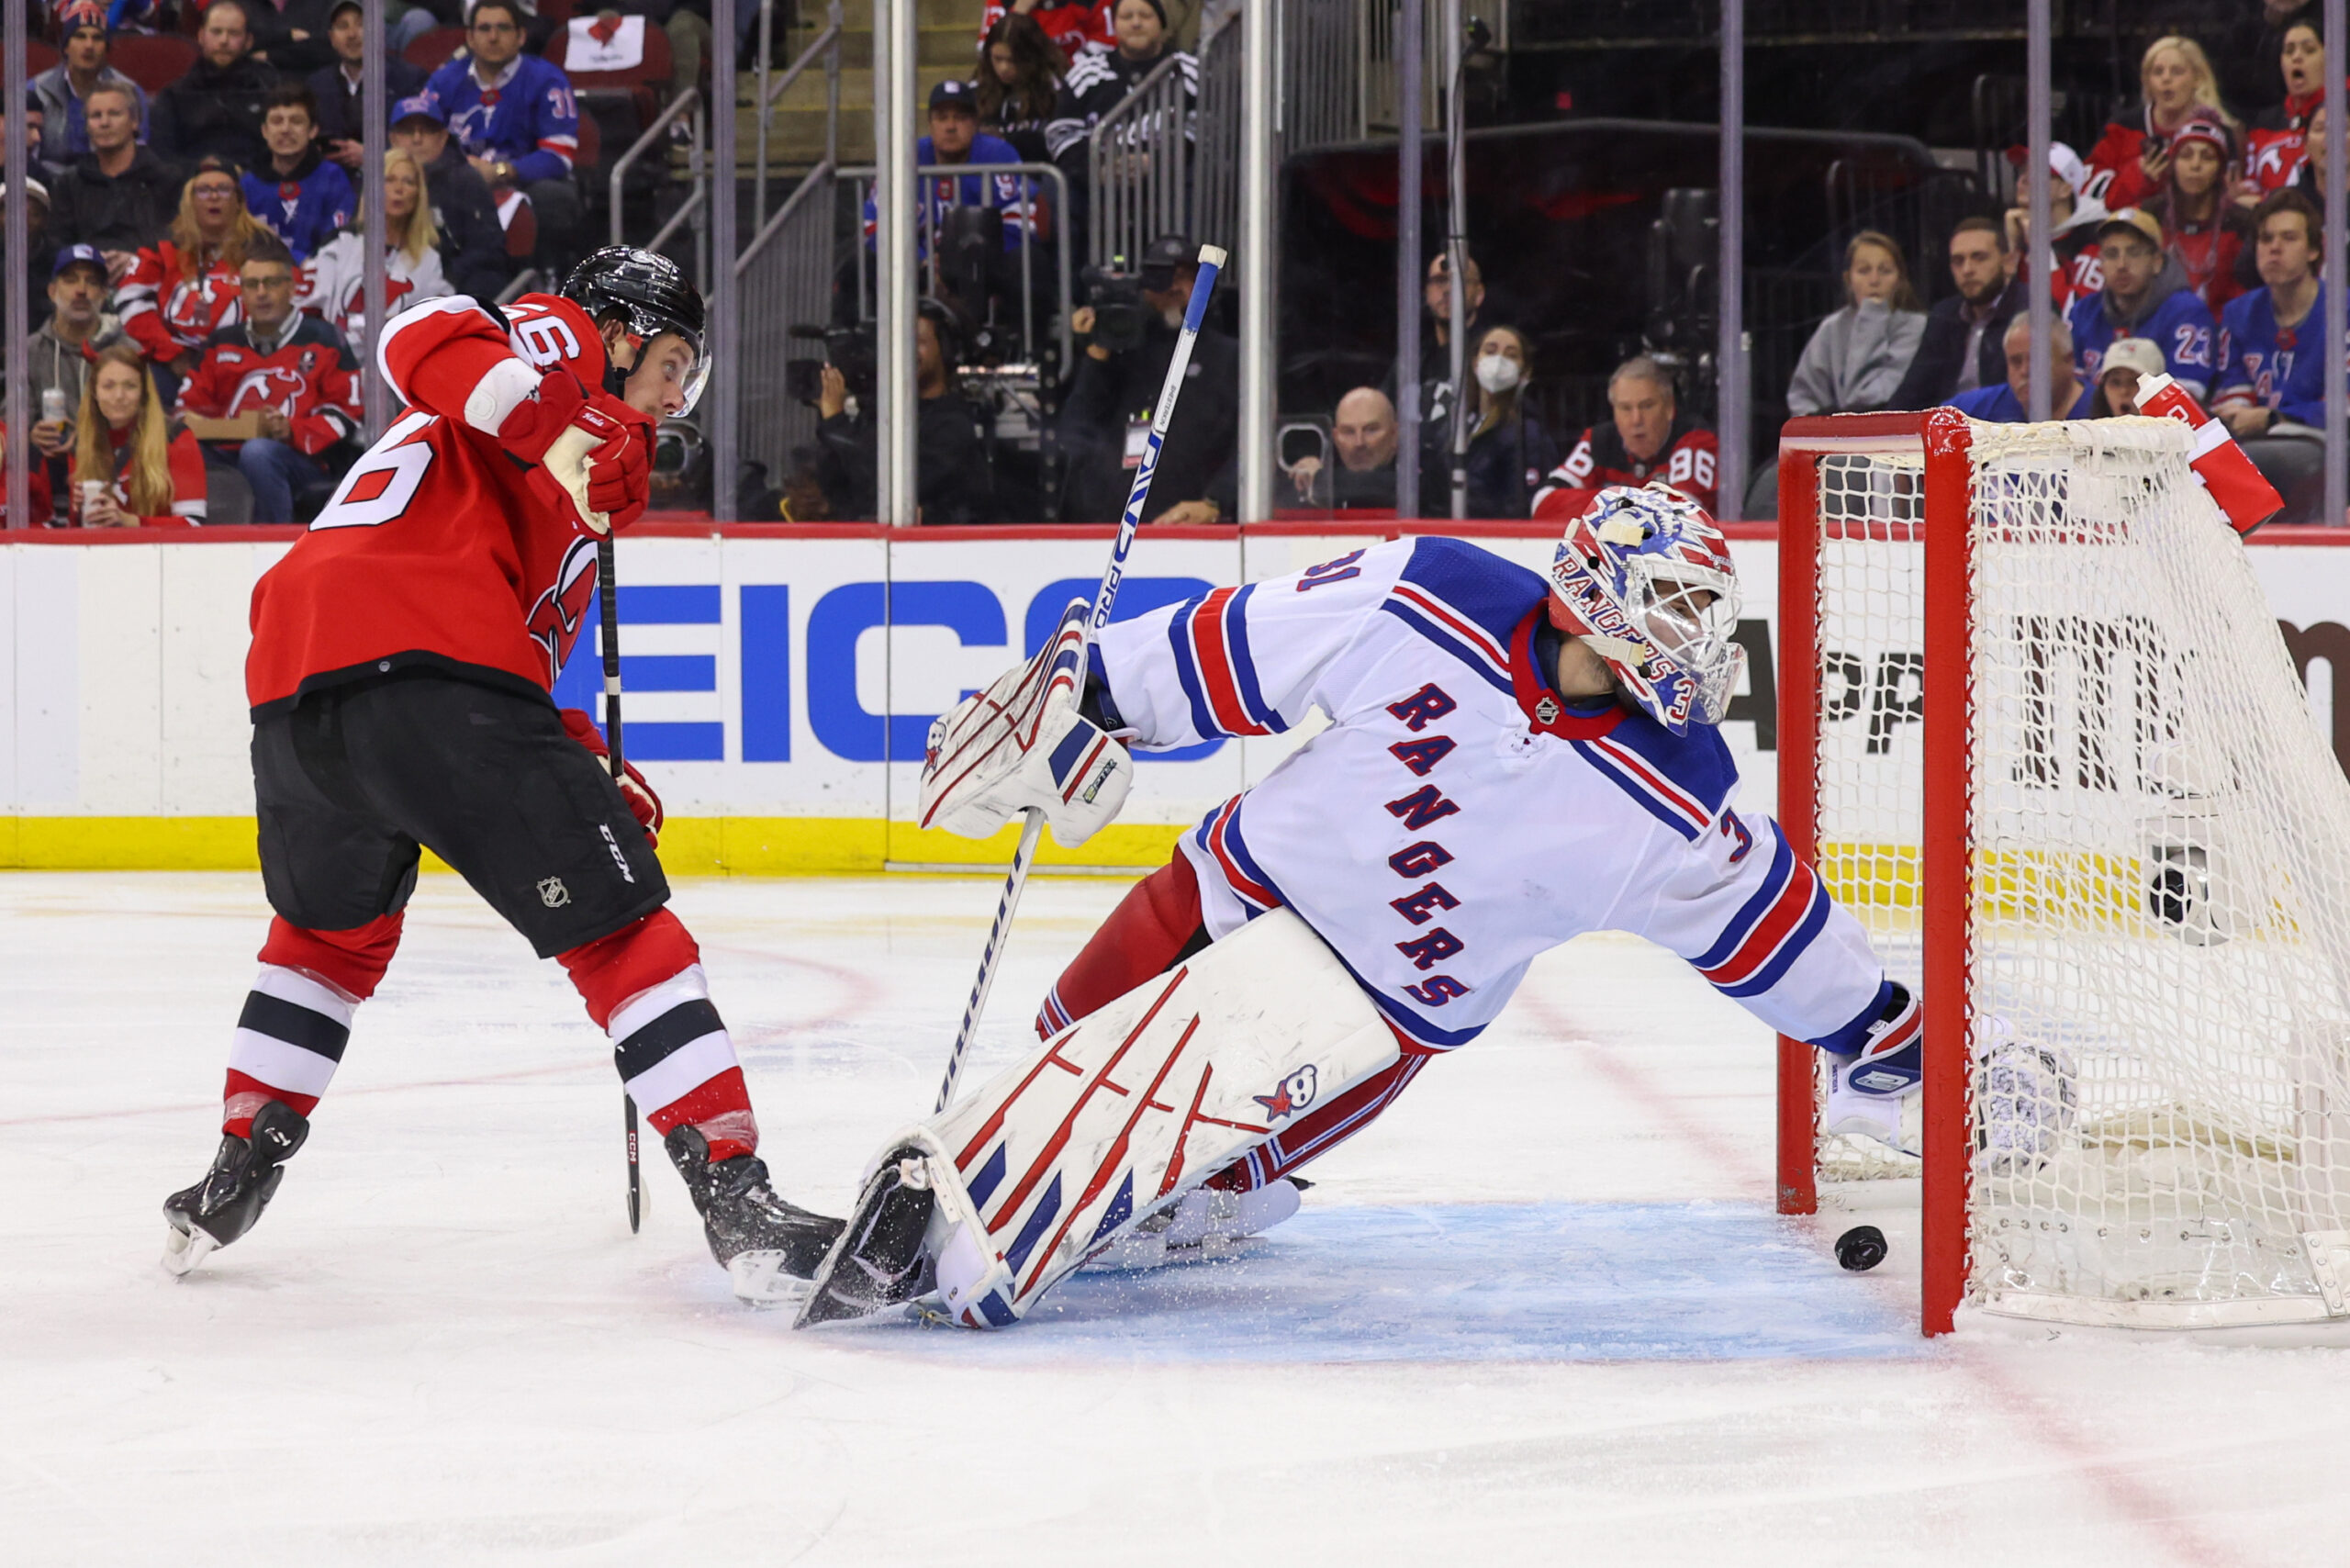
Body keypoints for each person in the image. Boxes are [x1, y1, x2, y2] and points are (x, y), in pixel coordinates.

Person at [811, 487, 1924, 1319]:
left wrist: (1877, 1024)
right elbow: (1239, 647)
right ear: (1594, 589)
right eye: (1673, 602)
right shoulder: (1432, 594)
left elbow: (1770, 929)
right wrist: (1094, 689)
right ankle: (1023, 1194)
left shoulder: (1678, 795)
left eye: (1702, 608)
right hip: (1228, 894)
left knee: (1198, 1175)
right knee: (1059, 1051)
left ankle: (1191, 1200)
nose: (1694, 634)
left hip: (1369, 1020)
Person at [160, 248, 845, 1304]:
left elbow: (505, 651)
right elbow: (415, 336)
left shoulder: (564, 474)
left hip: (301, 680)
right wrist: (575, 418)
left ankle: (239, 1161)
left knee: (325, 939)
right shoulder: (562, 346)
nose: (673, 395)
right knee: (622, 928)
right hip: (418, 660)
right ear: (616, 333)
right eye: (668, 363)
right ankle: (737, 1196)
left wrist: (570, 750)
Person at [174, 233, 361, 522]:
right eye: (252, 284)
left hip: (301, 460)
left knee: (259, 453)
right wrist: (197, 424)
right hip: (229, 455)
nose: (261, 293)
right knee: (177, 449)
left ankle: (270, 546)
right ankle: (189, 541)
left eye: (271, 283)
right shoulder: (221, 342)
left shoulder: (324, 338)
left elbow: (347, 413)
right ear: (243, 292)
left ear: (291, 288)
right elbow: (188, 406)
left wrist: (292, 430)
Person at [1062, 232, 1236, 524]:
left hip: (1192, 527)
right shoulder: (1119, 353)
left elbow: (1247, 444)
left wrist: (1216, 501)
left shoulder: (1228, 357)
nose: (1175, 289)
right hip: (1110, 526)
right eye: (1165, 278)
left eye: (1186, 278)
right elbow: (1075, 429)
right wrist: (1096, 352)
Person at [422, 0, 584, 275]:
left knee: (555, 198)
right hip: (460, 181)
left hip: (523, 183)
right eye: (484, 28)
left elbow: (559, 154)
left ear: (520, 36)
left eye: (502, 28)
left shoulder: (546, 79)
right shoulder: (443, 81)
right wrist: (464, 172)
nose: (493, 37)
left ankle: (546, 279)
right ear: (470, 37)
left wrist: (503, 172)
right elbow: (422, 142)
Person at [1044, 0, 1196, 264]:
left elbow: (1205, 125)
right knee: (1056, 188)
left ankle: (1190, 289)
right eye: (1127, 16)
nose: (1136, 22)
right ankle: (1074, 297)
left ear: (1161, 24)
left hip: (1171, 180)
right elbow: (1060, 131)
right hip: (1099, 182)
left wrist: (1157, 163)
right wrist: (1099, 168)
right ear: (1114, 25)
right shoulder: (1088, 71)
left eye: (1145, 15)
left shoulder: (1188, 69)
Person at [814, 302, 993, 523]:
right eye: (899, 342)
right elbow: (835, 487)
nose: (906, 351)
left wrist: (836, 423)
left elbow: (886, 485)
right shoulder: (880, 415)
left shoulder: (953, 425)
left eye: (918, 341)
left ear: (946, 350)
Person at [2212, 188, 2330, 517]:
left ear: (2313, 249)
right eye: (2265, 239)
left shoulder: (2342, 310)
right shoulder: (2239, 313)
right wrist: (2239, 413)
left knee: (2269, 461)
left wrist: (2276, 417)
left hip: (2325, 444)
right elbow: (2234, 390)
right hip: (2258, 441)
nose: (2274, 248)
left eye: (2289, 237)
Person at [118, 159, 268, 403]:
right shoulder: (161, 247)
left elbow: (287, 310)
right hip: (172, 366)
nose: (213, 197)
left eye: (223, 189)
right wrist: (172, 354)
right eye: (203, 190)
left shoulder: (264, 249)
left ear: (239, 201)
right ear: (189, 201)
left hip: (247, 367)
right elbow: (131, 303)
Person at [1533, 356, 1718, 519]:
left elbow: (1683, 515)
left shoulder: (1694, 439)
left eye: (1647, 406)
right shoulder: (1598, 441)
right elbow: (1542, 503)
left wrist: (1606, 505)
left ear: (1669, 408)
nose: (1636, 420)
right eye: (1625, 408)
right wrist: (1622, 501)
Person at [298, 147, 452, 342]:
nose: (399, 189)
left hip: (397, 363)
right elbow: (310, 309)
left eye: (409, 182)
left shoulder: (432, 258)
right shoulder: (340, 243)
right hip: (338, 362)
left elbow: (437, 324)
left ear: (418, 195)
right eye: (390, 180)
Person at [2066, 206, 2218, 399]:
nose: (2122, 265)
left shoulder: (2186, 312)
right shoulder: (2083, 312)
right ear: (2100, 263)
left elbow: (2188, 395)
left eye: (2134, 252)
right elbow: (2069, 393)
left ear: (2157, 262)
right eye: (2112, 254)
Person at [2083, 35, 2241, 213]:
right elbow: (2090, 194)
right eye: (2158, 72)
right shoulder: (2121, 128)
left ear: (2197, 79)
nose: (2166, 79)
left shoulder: (2218, 132)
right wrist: (2137, 176)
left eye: (2177, 71)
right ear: (2148, 82)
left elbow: (2226, 197)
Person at [65, 339, 209, 527]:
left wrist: (131, 522)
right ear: (94, 392)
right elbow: (76, 534)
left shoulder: (176, 437)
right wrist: (80, 513)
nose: (119, 396)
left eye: (130, 386)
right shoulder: (82, 443)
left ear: (144, 393)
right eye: (108, 386)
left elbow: (193, 525)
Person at [1419, 324, 1559, 518]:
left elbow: (1523, 505)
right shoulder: (1454, 426)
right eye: (1490, 351)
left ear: (1525, 371)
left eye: (1511, 355)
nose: (1499, 361)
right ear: (1476, 362)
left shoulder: (1527, 434)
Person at [1785, 229, 1927, 416]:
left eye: (1885, 271)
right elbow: (1802, 397)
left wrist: (1872, 317)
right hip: (1830, 439)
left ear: (1899, 279)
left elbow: (1865, 399)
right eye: (1864, 271)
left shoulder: (1917, 327)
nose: (1874, 280)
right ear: (1848, 279)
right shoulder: (1832, 328)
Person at [1888, 216, 2022, 409]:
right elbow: (1912, 392)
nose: (1967, 270)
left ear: (2009, 262)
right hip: (1946, 430)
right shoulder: (1944, 315)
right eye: (1958, 261)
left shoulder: (2029, 309)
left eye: (1979, 258)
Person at [43, 82, 180, 270]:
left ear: (135, 121)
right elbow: (57, 244)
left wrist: (136, 261)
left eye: (114, 114)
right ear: (87, 126)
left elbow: (177, 243)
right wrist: (92, 261)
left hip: (151, 279)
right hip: (86, 278)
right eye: (96, 116)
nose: (105, 123)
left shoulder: (167, 180)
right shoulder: (69, 184)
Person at [389, 95, 509, 304]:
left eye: (426, 130)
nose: (417, 139)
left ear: (443, 137)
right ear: (393, 139)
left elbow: (488, 251)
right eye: (408, 131)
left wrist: (440, 275)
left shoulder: (467, 180)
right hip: (389, 279)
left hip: (453, 283)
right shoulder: (376, 179)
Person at [26, 246, 118, 507]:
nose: (81, 290)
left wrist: (89, 437)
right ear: (52, 291)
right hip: (46, 468)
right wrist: (32, 433)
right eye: (70, 279)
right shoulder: (28, 351)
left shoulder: (125, 350)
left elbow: (141, 424)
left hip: (108, 472)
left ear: (104, 294)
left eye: (92, 282)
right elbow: (9, 420)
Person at [151, 0, 282, 172]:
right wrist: (201, 169)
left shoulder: (269, 89)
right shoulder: (174, 95)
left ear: (248, 41)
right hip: (192, 184)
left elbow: (281, 149)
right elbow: (162, 155)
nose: (224, 41)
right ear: (200, 36)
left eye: (233, 33)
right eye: (216, 32)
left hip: (256, 182)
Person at [2143, 114, 2250, 312]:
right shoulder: (2150, 216)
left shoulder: (2243, 223)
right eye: (2186, 155)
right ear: (2173, 165)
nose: (2195, 165)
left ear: (2221, 169)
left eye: (2207, 157)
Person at [307, 0, 428, 175]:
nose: (352, 34)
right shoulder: (316, 85)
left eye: (361, 24)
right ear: (332, 38)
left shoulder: (409, 80)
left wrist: (374, 156)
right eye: (342, 26)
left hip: (390, 180)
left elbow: (420, 142)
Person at [31, 0, 151, 169]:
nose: (89, 46)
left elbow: (140, 155)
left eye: (97, 38)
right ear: (65, 47)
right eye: (80, 36)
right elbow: (28, 159)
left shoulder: (130, 93)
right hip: (51, 185)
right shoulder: (36, 91)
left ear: (106, 48)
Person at [241, 86, 354, 263]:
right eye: (277, 121)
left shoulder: (333, 177)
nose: (286, 129)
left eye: (296, 121)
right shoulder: (247, 184)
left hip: (321, 276)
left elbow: (338, 239)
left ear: (313, 130)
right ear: (264, 131)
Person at [2002, 141, 2109, 309]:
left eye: (2037, 173)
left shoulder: (2096, 239)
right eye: (2022, 171)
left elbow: (2072, 313)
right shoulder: (2016, 233)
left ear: (2066, 189)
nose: (2023, 180)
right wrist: (2013, 249)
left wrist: (2039, 248)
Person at [1946, 315, 2095, 422]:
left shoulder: (2103, 411)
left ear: (2069, 361)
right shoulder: (1982, 407)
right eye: (2016, 362)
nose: (2025, 371)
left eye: (2037, 360)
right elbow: (1936, 422)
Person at [2245, 18, 2324, 200]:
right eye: (2289, 51)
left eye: (2309, 50)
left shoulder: (2344, 116)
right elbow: (2251, 187)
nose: (2296, 57)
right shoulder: (2263, 123)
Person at [977, 13, 1069, 164]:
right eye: (997, 59)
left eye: (1012, 60)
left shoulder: (1057, 91)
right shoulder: (979, 91)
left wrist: (1005, 139)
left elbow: (1057, 145)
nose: (1004, 68)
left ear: (1031, 56)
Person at [1287, 386, 1399, 510]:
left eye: (1371, 430)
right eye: (1348, 432)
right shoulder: (1317, 489)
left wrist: (1320, 479)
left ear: (1394, 434)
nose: (1359, 443)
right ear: (1336, 439)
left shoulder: (1415, 483)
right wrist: (1306, 479)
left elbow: (1380, 488)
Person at [977, 0, 1111, 60]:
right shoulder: (1003, 1)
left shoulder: (1090, 3)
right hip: (1018, 82)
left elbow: (1107, 48)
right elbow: (987, 52)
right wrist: (1017, 14)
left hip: (1076, 83)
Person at [2086, 335, 2165, 417]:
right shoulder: (2084, 428)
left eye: (2136, 382)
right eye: (2115, 382)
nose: (2124, 391)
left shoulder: (2175, 428)